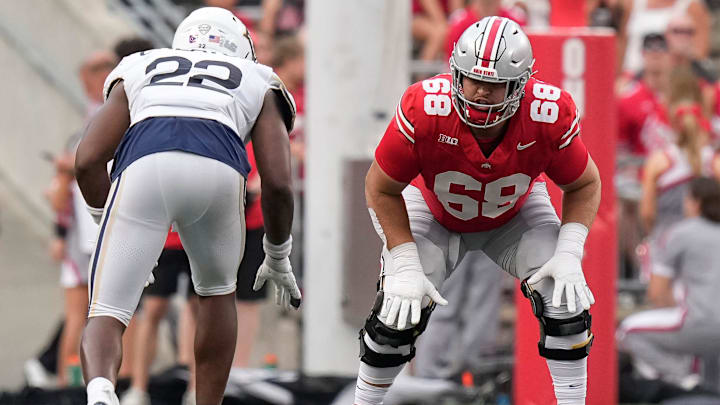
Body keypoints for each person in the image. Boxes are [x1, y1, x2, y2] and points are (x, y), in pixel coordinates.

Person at [354, 16, 601, 405]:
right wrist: (403, 260)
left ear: (520, 85)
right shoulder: (425, 106)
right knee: (397, 313)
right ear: (455, 73)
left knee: (564, 299)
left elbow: (584, 183)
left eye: (494, 83)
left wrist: (570, 252)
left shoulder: (548, 113)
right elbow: (380, 187)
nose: (481, 93)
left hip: (514, 214)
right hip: (435, 211)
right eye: (473, 79)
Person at [74, 7, 301, 405]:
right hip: (219, 170)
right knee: (216, 294)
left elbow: (88, 159)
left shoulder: (140, 65)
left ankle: (100, 391)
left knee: (107, 310)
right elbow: (279, 181)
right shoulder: (258, 77)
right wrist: (278, 253)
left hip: (144, 167)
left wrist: (104, 218)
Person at [617, 177, 720, 390]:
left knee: (628, 330)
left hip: (699, 321)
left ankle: (687, 380)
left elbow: (657, 292)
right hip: (707, 327)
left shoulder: (681, 232)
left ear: (695, 202)